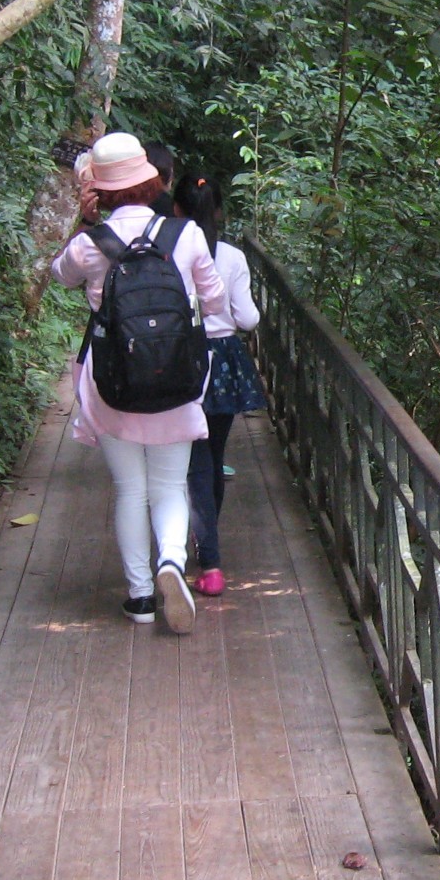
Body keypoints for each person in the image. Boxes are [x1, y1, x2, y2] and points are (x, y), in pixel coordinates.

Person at [51, 133, 225, 633]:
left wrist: (86, 221)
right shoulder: (185, 234)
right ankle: (172, 559)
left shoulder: (91, 243)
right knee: (170, 485)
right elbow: (213, 304)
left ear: (98, 190)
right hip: (177, 379)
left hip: (114, 382)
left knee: (130, 490)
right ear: (150, 180)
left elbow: (60, 276)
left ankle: (141, 596)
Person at [172, 173, 265, 597]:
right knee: (212, 454)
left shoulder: (167, 249)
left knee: (196, 461)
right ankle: (207, 553)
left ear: (176, 210)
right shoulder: (231, 257)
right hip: (224, 360)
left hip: (182, 358)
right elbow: (247, 319)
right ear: (220, 211)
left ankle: (208, 559)